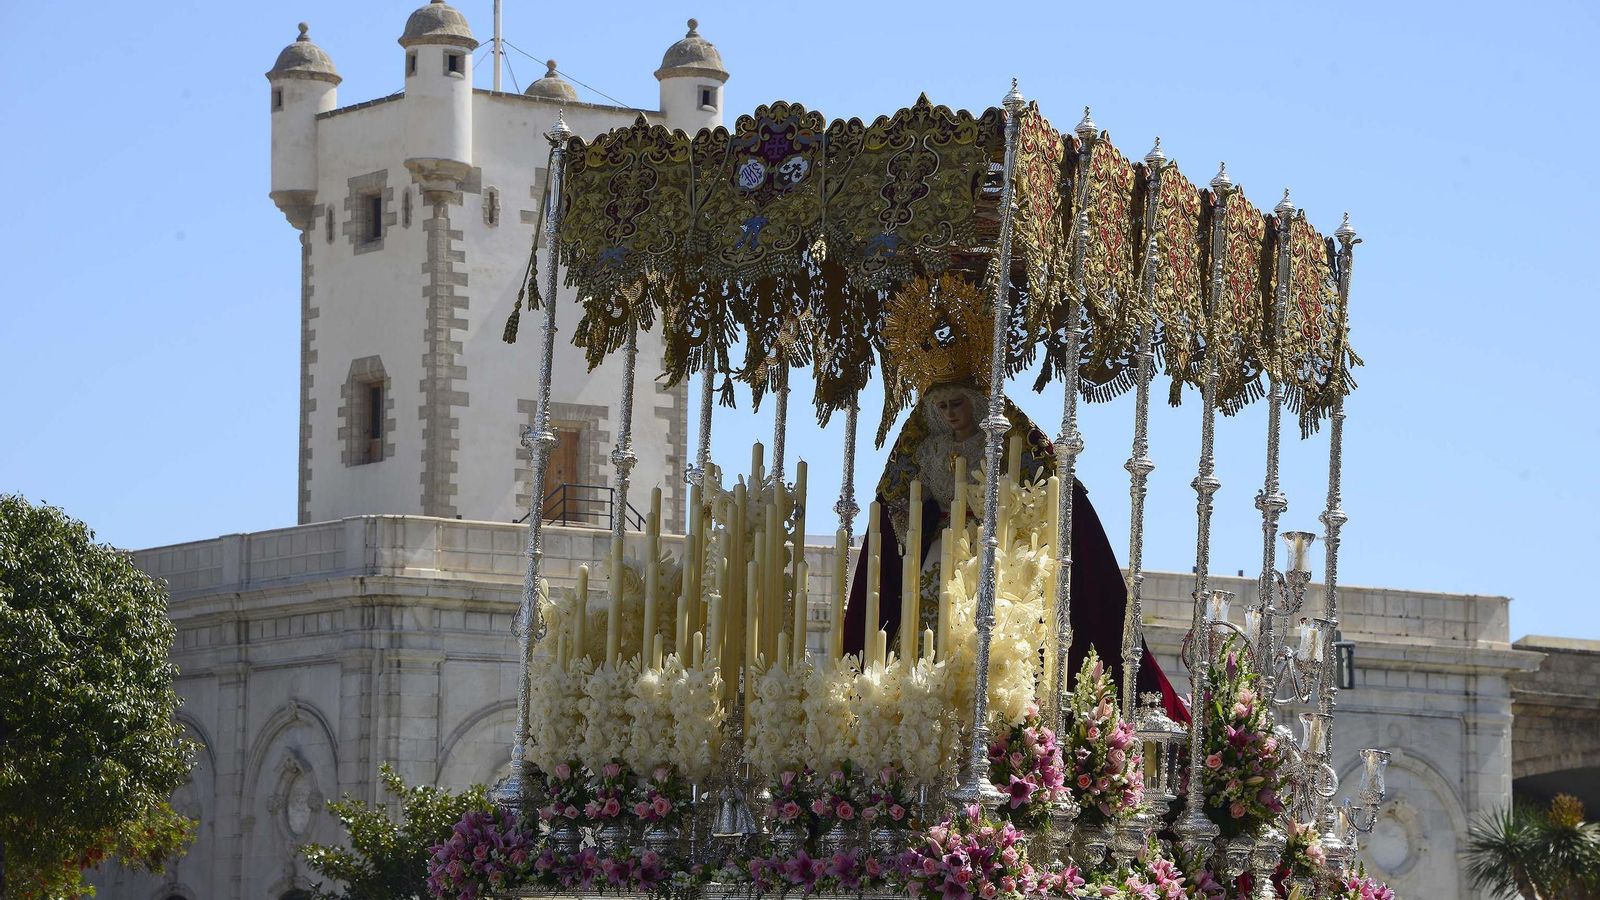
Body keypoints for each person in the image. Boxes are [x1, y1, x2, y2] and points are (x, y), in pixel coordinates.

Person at [841, 380, 1190, 724]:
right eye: (942, 407)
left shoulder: (1001, 443)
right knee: (926, 624)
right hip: (940, 551)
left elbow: (1040, 496)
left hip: (986, 549)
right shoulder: (928, 451)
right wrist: (911, 528)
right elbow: (901, 505)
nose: (950, 414)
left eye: (957, 404)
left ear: (975, 404)